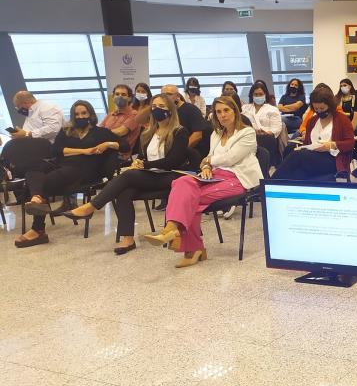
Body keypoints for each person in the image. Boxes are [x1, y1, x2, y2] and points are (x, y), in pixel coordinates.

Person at [63, 94, 194, 255]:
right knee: (124, 192)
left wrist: (144, 165)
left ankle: (91, 206)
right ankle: (128, 239)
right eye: (154, 106)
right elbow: (141, 155)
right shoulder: (149, 132)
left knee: (128, 176)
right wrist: (138, 162)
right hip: (150, 176)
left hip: (172, 176)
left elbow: (174, 160)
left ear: (170, 110)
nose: (156, 110)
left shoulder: (179, 131)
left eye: (161, 106)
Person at [142, 96, 261, 267]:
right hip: (214, 175)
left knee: (190, 199)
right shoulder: (216, 134)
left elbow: (231, 158)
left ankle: (187, 243)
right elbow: (208, 159)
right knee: (182, 182)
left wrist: (208, 161)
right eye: (218, 112)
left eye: (226, 110)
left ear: (235, 111)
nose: (222, 115)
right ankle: (173, 230)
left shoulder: (247, 132)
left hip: (238, 179)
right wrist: (206, 167)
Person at [14, 101, 120, 248]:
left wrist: (108, 144)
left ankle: (38, 228)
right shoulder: (67, 131)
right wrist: (84, 151)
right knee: (33, 169)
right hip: (62, 165)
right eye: (77, 114)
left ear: (90, 114)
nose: (80, 116)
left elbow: (124, 145)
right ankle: (36, 198)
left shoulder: (101, 132)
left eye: (84, 113)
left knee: (44, 182)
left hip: (85, 171)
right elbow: (55, 151)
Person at [273, 86, 354, 181]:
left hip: (333, 159)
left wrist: (332, 145)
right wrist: (304, 147)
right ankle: (272, 187)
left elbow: (350, 143)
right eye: (316, 108)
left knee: (297, 156)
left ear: (330, 105)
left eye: (322, 108)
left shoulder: (341, 119)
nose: (319, 111)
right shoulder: (312, 121)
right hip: (313, 157)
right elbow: (307, 144)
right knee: (295, 173)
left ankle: (268, 184)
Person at [161, 84, 210, 155]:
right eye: (163, 95)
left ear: (177, 96)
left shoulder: (191, 109)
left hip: (191, 153)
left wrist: (179, 152)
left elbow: (197, 135)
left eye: (169, 94)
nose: (165, 98)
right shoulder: (167, 111)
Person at [242, 83, 283, 166]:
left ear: (265, 95)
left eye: (260, 94)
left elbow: (277, 128)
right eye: (255, 94)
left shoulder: (272, 109)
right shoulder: (245, 108)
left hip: (266, 137)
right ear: (252, 95)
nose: (258, 96)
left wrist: (266, 133)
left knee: (266, 140)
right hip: (248, 136)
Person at [100, 84, 143, 161]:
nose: (120, 96)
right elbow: (99, 130)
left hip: (120, 155)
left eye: (123, 94)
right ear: (113, 97)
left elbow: (121, 132)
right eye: (117, 94)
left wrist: (102, 134)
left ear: (129, 98)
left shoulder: (134, 114)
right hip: (105, 151)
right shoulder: (110, 114)